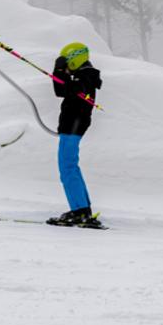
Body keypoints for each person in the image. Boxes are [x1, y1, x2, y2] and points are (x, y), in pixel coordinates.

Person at [48, 42, 102, 227]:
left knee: (67, 167)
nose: (67, 67)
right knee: (71, 167)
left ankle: (80, 211)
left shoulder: (85, 76)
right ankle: (83, 209)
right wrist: (61, 72)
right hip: (72, 126)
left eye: (67, 62)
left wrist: (59, 70)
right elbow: (63, 90)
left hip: (74, 126)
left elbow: (62, 89)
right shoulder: (84, 75)